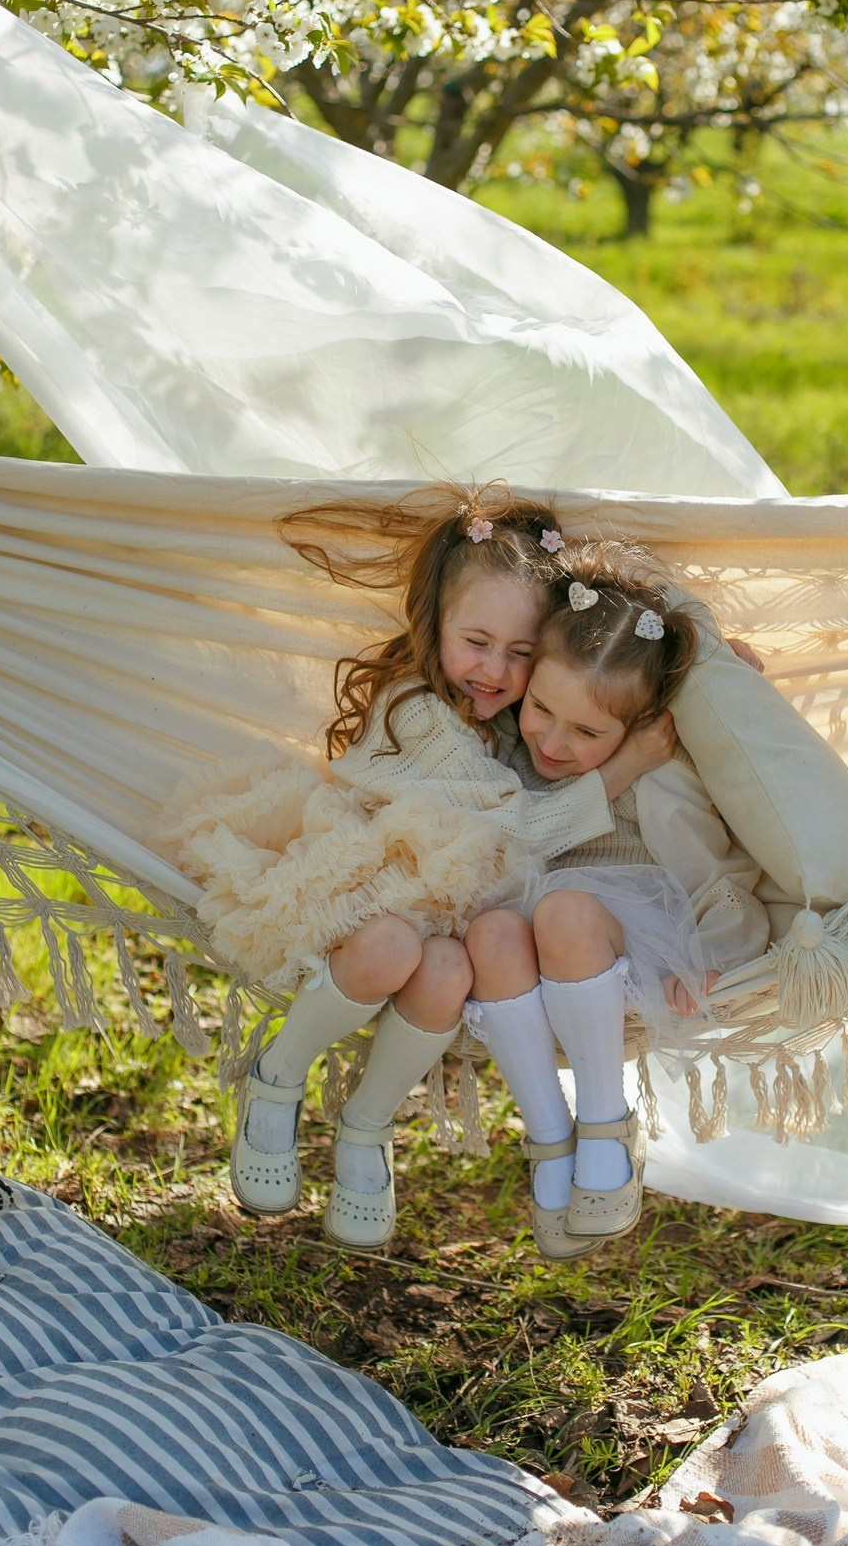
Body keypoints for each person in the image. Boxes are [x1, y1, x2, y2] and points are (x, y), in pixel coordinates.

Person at [165, 485, 674, 1249]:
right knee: (394, 950)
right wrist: (620, 769)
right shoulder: (415, 708)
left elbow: (607, 668)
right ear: (433, 620)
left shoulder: (519, 715)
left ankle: (366, 1130)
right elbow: (514, 827)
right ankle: (276, 1078)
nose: (495, 671)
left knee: (445, 974)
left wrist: (695, 675)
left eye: (521, 654)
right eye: (475, 642)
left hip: (450, 916)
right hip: (372, 889)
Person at [463, 544, 772, 1261]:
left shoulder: (664, 768)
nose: (552, 739)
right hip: (534, 936)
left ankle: (605, 1122)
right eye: (542, 707)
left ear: (635, 727)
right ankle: (549, 1136)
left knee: (564, 912)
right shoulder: (502, 739)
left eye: (589, 733)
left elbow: (720, 864)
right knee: (490, 936)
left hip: (630, 930)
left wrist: (715, 957)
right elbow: (502, 840)